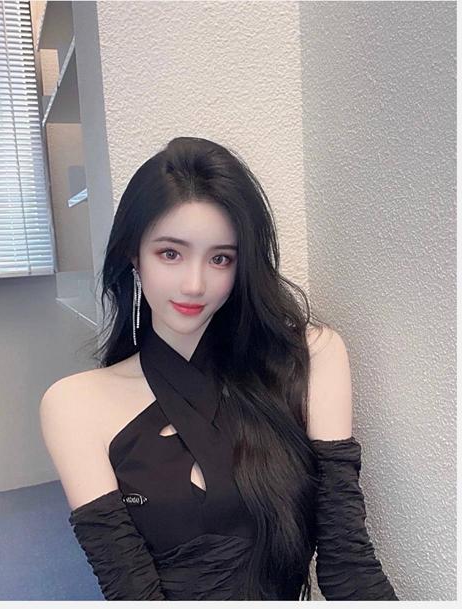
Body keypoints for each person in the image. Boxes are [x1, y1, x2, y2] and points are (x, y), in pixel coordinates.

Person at [40, 136, 399, 600]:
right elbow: (131, 592)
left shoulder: (313, 357)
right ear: (134, 255)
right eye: (170, 253)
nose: (195, 284)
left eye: (220, 258)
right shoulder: (74, 404)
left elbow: (348, 565)